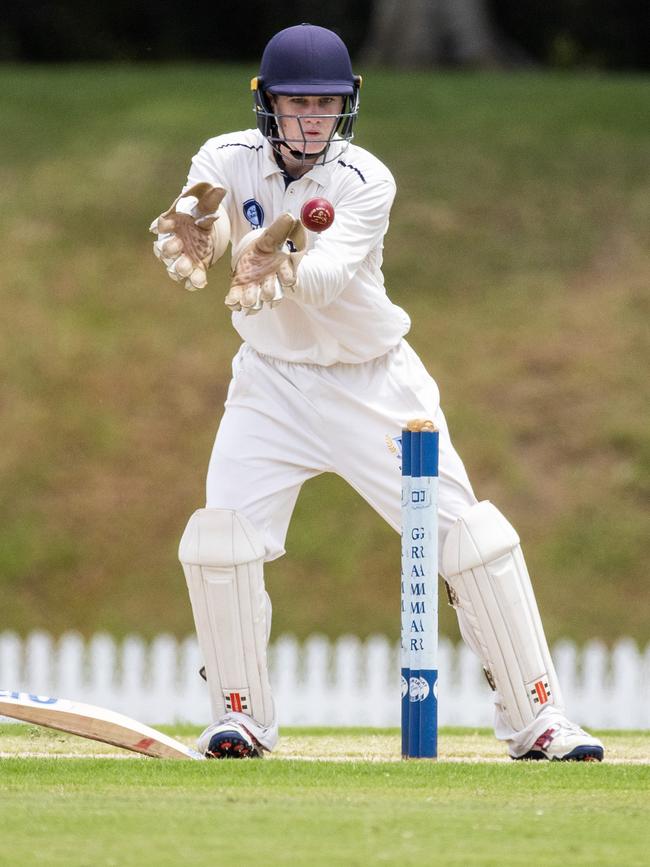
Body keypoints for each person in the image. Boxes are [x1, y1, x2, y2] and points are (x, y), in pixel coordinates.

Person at [151, 24, 604, 762]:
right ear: (266, 103)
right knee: (220, 540)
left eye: (326, 104)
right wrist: (194, 225)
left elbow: (327, 281)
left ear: (346, 106)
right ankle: (240, 717)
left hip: (375, 383)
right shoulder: (225, 156)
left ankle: (539, 719)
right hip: (270, 386)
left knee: (473, 542)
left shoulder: (366, 179)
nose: (311, 121)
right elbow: (202, 201)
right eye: (297, 104)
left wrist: (277, 255)